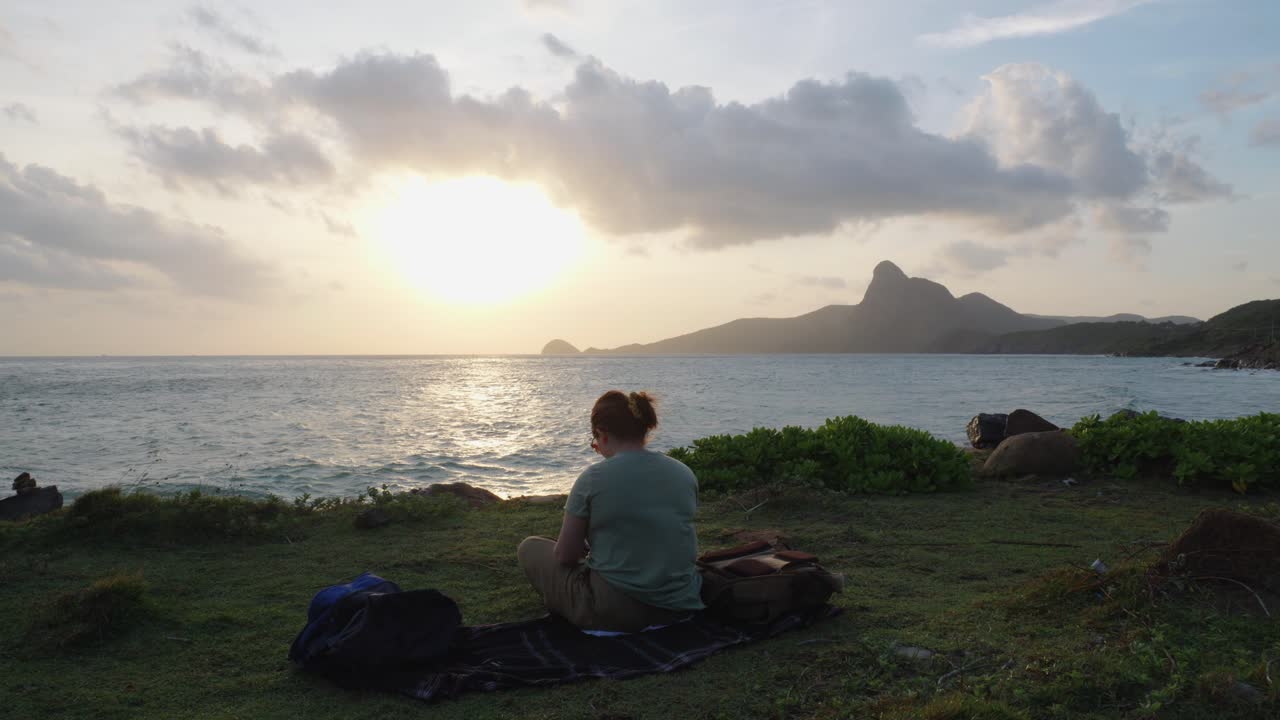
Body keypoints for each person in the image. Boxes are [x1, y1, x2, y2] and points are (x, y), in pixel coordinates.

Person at [517, 390, 704, 632]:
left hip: (616, 612)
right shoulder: (683, 472)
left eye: (594, 440)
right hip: (680, 604)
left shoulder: (593, 478)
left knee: (530, 547)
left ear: (601, 434)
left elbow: (566, 556)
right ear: (644, 430)